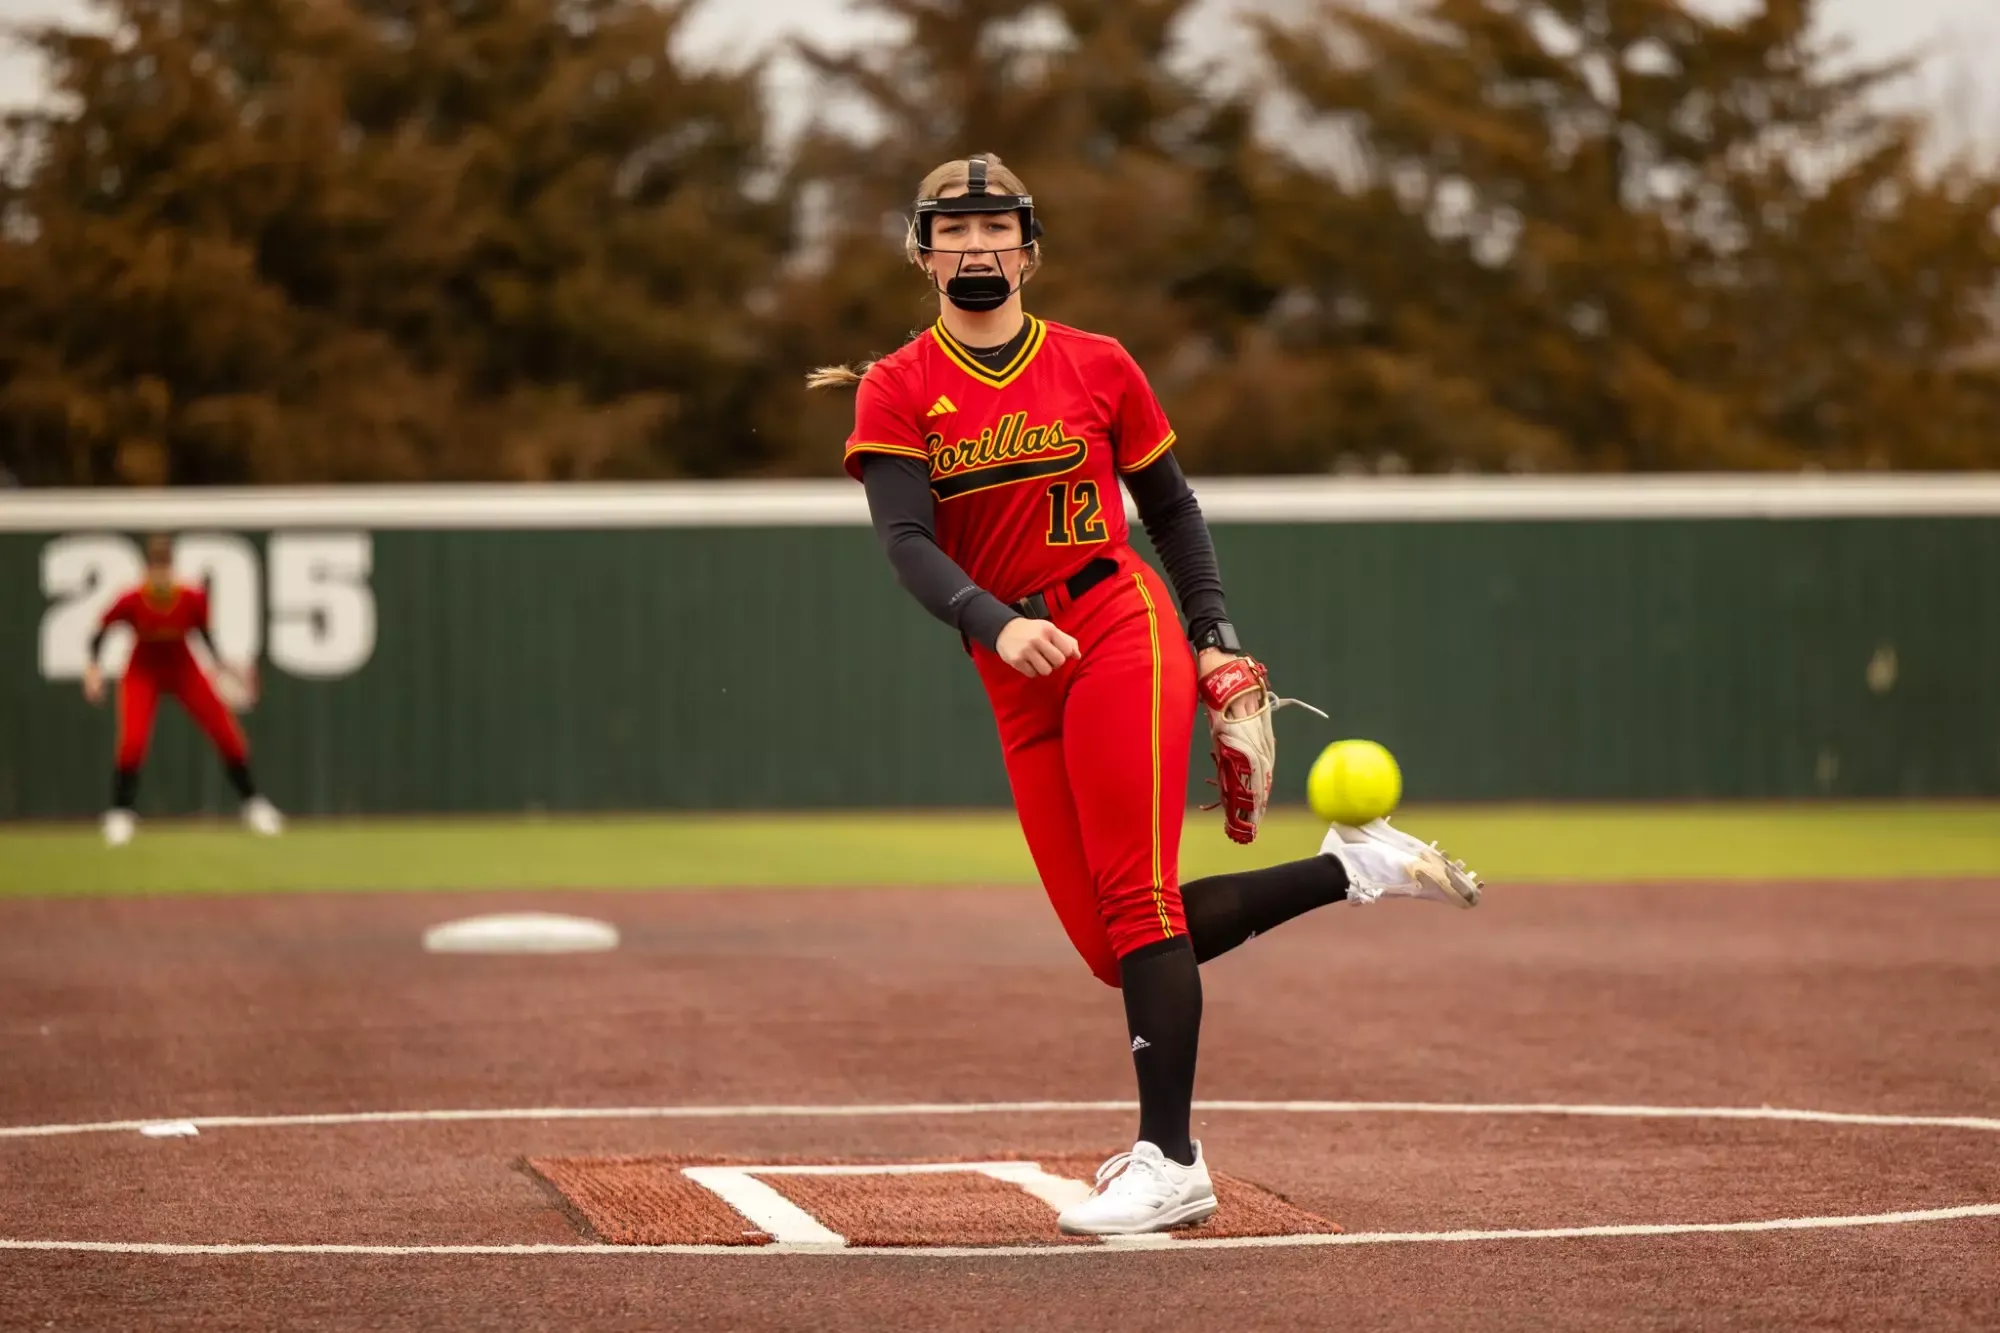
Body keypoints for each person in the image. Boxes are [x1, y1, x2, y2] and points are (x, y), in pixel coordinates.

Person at [809, 153, 1484, 1236]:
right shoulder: (898, 383)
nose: (976, 246)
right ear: (922, 252)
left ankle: (1170, 1158)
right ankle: (1352, 866)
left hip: (1117, 621)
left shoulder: (1097, 362)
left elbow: (1171, 510)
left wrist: (1211, 636)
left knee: (1137, 899)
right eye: (954, 230)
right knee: (1106, 944)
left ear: (1028, 247)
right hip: (1013, 660)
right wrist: (992, 619)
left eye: (996, 227)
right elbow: (905, 541)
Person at [83, 533, 284, 846]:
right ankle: (120, 813)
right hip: (143, 671)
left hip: (183, 669)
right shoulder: (132, 599)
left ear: (172, 568)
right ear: (147, 569)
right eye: (156, 567)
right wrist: (93, 669)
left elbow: (204, 635)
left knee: (227, 734)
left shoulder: (191, 598)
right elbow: (100, 632)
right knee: (132, 741)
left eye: (165, 566)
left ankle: (253, 804)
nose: (161, 573)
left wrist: (223, 666)